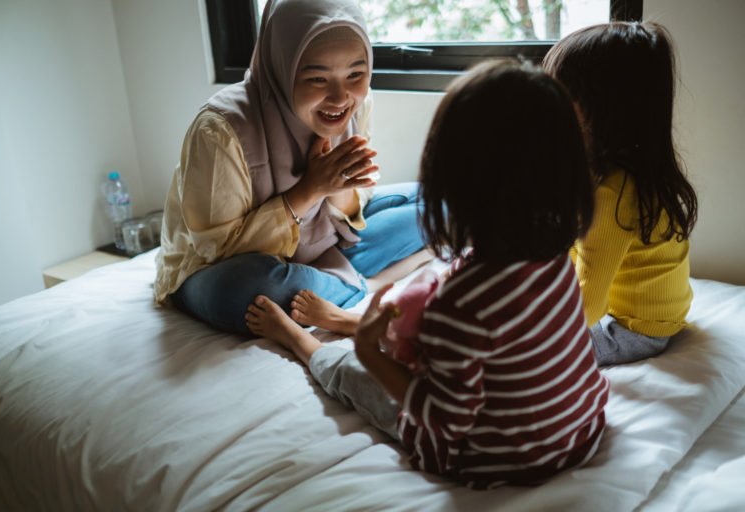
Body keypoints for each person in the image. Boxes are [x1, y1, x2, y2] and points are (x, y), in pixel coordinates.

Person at [246, 61, 610, 488]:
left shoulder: (460, 305)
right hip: (578, 431)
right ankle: (347, 321)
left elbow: (443, 419)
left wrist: (368, 352)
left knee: (353, 375)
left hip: (494, 458)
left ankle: (300, 338)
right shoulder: (555, 258)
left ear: (450, 183)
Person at [153, 0, 429, 335]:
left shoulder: (358, 102)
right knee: (246, 291)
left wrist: (338, 190)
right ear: (283, 67)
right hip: (219, 268)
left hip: (320, 242)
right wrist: (310, 189)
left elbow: (359, 196)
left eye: (356, 73)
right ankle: (364, 285)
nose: (341, 97)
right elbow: (216, 249)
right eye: (317, 78)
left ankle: (329, 283)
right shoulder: (221, 129)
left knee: (437, 202)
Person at [543, 22, 698, 366]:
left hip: (634, 329)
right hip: (662, 314)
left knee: (523, 353)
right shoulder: (637, 173)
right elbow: (577, 249)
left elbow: (587, 306)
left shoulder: (611, 194)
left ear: (604, 106)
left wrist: (533, 331)